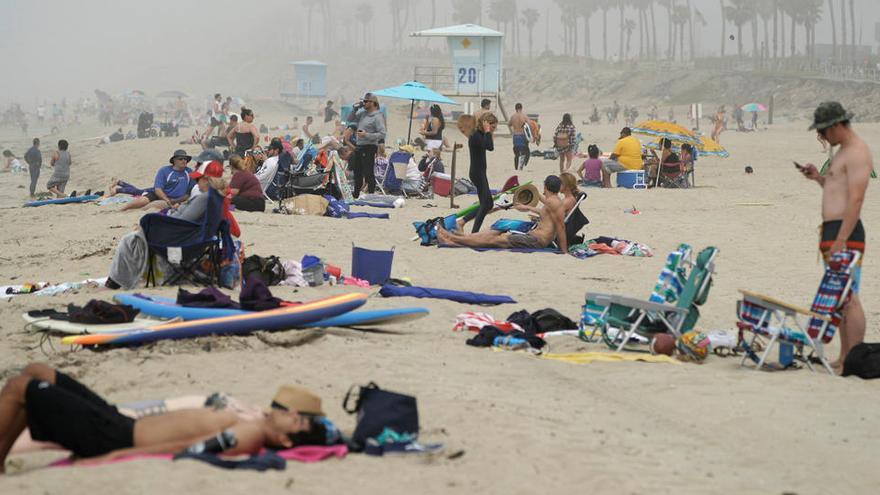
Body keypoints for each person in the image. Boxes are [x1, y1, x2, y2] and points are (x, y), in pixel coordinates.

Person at [0, 363, 313, 471]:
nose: (293, 414)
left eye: (297, 421)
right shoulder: (251, 420)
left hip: (113, 437)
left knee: (19, 387)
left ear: (285, 439)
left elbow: (186, 447)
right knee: (38, 372)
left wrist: (115, 457)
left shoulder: (249, 436)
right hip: (118, 422)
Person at [798, 101, 873, 370]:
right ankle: (844, 357)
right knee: (841, 297)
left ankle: (854, 358)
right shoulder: (841, 152)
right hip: (834, 231)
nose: (822, 137)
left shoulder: (857, 152)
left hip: (846, 232)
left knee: (849, 296)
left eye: (824, 131)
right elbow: (835, 190)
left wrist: (841, 237)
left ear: (837, 126)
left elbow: (856, 199)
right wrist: (817, 177)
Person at [106, 172, 226, 290]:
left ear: (206, 180)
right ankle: (116, 280)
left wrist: (155, 222)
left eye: (198, 179)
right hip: (191, 238)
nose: (195, 183)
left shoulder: (204, 198)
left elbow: (182, 221)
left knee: (129, 240)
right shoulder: (213, 198)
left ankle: (114, 282)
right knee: (133, 237)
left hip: (180, 240)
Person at [438, 175, 568, 253]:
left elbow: (561, 227)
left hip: (535, 240)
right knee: (494, 236)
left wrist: (563, 251)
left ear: (545, 186)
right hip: (533, 237)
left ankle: (452, 239)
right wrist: (532, 195)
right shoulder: (553, 201)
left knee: (495, 240)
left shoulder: (554, 203)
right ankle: (453, 240)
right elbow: (546, 211)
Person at [111, 150, 194, 211]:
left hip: (175, 199)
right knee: (141, 196)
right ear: (174, 160)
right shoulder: (164, 171)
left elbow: (189, 192)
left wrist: (177, 201)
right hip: (160, 194)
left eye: (185, 159)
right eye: (181, 159)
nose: (184, 161)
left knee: (147, 201)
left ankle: (119, 185)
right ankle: (122, 209)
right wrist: (167, 200)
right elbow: (158, 190)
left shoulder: (189, 172)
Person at [459, 113, 496, 233]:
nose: (493, 130)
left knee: (488, 204)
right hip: (477, 174)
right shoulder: (476, 136)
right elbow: (490, 147)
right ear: (486, 124)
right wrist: (487, 131)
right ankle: (474, 232)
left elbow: (488, 145)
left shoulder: (479, 135)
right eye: (493, 127)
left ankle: (462, 222)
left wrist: (487, 132)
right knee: (485, 204)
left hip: (480, 173)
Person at [346, 92, 386, 198]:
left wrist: (366, 135)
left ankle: (371, 193)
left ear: (373, 103)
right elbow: (350, 119)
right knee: (357, 171)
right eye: (363, 101)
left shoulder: (377, 116)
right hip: (359, 146)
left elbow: (382, 133)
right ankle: (356, 193)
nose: (363, 103)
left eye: (366, 101)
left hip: (369, 146)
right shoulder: (363, 113)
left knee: (368, 172)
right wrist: (354, 109)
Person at [508, 103, 529, 171]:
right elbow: (529, 125)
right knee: (524, 152)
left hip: (515, 135)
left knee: (516, 154)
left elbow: (509, 124)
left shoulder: (513, 116)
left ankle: (516, 168)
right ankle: (521, 167)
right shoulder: (524, 116)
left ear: (515, 108)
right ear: (521, 108)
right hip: (523, 136)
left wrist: (512, 131)